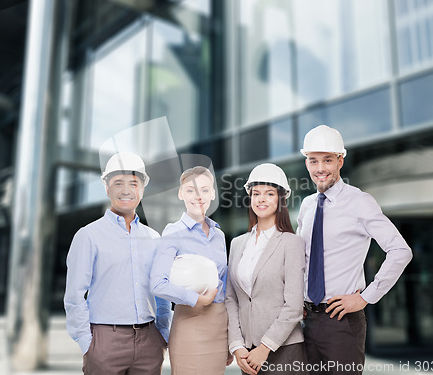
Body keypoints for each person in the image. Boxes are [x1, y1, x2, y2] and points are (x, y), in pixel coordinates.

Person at [297, 125, 413, 375]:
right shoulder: (306, 206)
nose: (320, 169)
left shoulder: (360, 202)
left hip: (341, 322)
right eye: (313, 161)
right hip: (306, 320)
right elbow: (302, 259)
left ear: (340, 160)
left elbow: (400, 251)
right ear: (306, 163)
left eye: (327, 160)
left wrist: (366, 297)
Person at [64, 152, 172, 375]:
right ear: (107, 188)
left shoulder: (154, 238)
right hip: (104, 342)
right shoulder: (88, 236)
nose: (126, 190)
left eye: (133, 183)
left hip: (150, 342)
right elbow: (75, 295)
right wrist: (88, 344)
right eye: (118, 183)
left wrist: (162, 332)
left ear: (142, 189)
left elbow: (162, 294)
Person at [225, 163, 307, 375]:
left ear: (281, 199)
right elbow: (231, 299)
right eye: (256, 193)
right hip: (248, 353)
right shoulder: (237, 244)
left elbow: (294, 306)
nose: (261, 199)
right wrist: (237, 346)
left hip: (284, 351)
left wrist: (265, 347)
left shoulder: (292, 243)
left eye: (269, 193)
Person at [150, 166, 231, 375]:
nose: (198, 196)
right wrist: (197, 300)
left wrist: (233, 335)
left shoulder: (219, 235)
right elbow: (158, 283)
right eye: (191, 190)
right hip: (190, 323)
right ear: (180, 193)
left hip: (221, 325)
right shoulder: (173, 233)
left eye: (204, 190)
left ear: (213, 193)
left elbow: (225, 284)